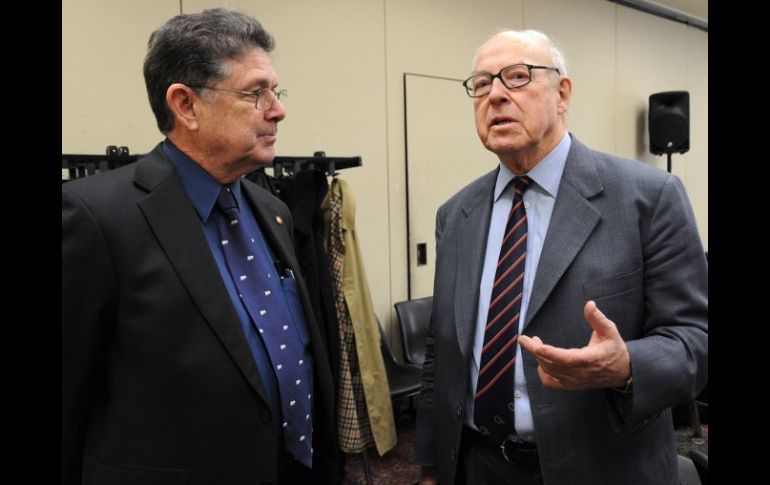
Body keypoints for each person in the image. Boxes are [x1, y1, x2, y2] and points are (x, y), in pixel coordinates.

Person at [414, 29, 707, 485]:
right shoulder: (456, 215)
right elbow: (442, 350)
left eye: (516, 77)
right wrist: (432, 465)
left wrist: (626, 365)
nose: (495, 95)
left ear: (562, 93)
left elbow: (695, 340)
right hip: (476, 464)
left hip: (601, 466)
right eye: (481, 83)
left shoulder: (648, 198)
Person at [62, 8, 339, 485]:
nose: (278, 109)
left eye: (276, 91)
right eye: (256, 93)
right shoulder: (96, 217)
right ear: (185, 105)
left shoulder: (268, 205)